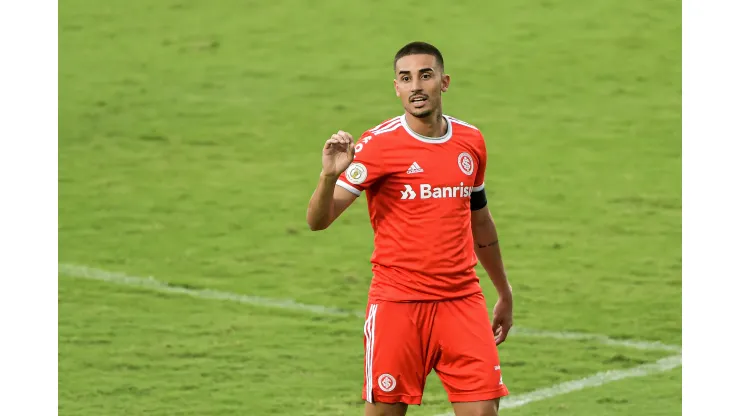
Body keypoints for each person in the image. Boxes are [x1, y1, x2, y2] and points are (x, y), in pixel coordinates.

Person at [306, 41, 514, 416]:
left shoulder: (471, 141)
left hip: (461, 300)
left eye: (425, 75)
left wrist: (503, 289)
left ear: (444, 82)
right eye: (406, 78)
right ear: (396, 88)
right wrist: (327, 176)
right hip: (398, 305)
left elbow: (479, 219)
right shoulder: (378, 145)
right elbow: (318, 221)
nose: (416, 85)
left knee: (484, 411)